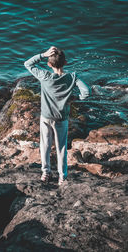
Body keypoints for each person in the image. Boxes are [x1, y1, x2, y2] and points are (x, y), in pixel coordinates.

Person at [24, 46, 90, 186]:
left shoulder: (45, 76)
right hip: (61, 119)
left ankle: (45, 172)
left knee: (45, 145)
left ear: (49, 64)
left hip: (46, 117)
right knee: (61, 149)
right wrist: (73, 98)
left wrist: (43, 54)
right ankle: (62, 177)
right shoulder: (72, 77)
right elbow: (86, 92)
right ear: (65, 63)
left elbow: (27, 63)